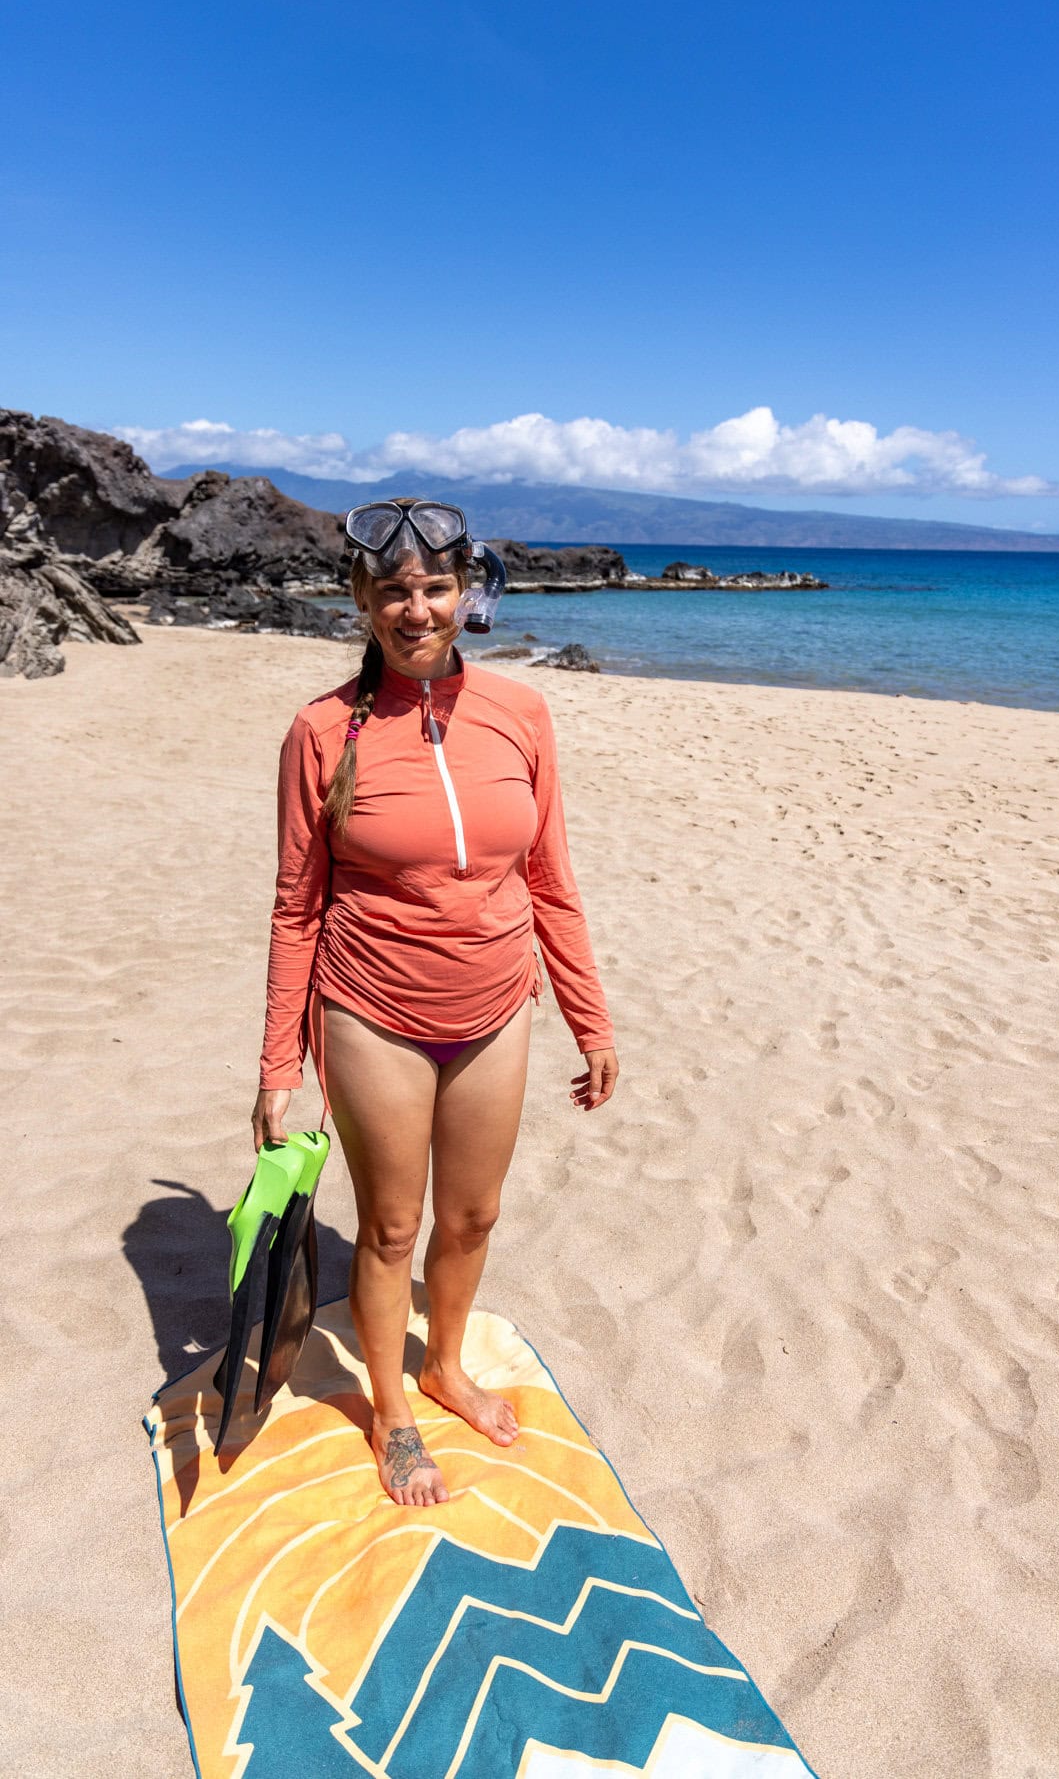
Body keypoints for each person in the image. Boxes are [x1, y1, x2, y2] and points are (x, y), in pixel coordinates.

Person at [252, 499, 618, 1508]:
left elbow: (552, 879)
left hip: (496, 1003)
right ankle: (393, 1413)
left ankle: (446, 1363)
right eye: (395, 590)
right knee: (389, 1226)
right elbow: (295, 906)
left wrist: (590, 1017)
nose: (417, 610)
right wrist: (279, 1064)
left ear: (468, 594)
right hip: (371, 1008)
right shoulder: (320, 730)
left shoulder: (521, 713)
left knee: (473, 1213)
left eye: (436, 587)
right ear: (363, 599)